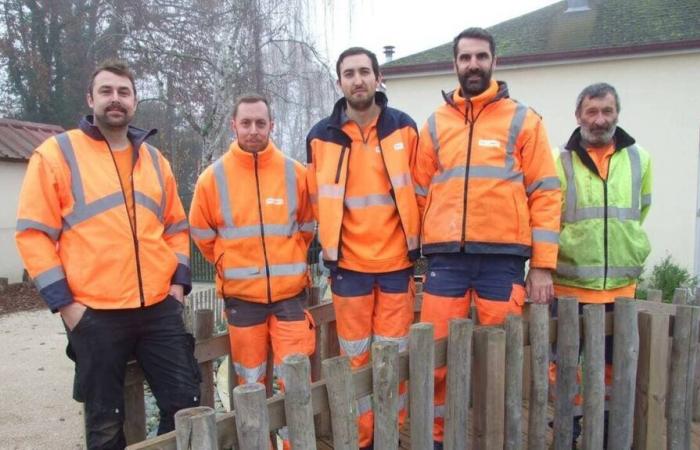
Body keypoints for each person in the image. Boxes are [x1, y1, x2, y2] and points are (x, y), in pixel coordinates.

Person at [15, 59, 200, 450]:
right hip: (94, 313)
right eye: (106, 91)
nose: (115, 99)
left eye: (123, 92)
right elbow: (33, 235)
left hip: (157, 308)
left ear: (134, 101)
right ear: (90, 99)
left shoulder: (155, 160)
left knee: (186, 404)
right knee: (104, 423)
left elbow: (177, 228)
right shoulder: (57, 154)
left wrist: (178, 287)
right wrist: (67, 306)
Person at [412, 27, 561, 448]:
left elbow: (546, 192)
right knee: (436, 358)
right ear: (454, 64)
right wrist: (421, 253)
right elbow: (419, 192)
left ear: (495, 61)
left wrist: (544, 265)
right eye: (465, 58)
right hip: (446, 262)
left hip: (503, 261)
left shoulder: (523, 119)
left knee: (503, 360)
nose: (473, 65)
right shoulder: (436, 124)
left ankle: (498, 437)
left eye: (480, 57)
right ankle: (437, 438)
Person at [306, 47, 421, 449]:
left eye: (364, 72)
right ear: (339, 82)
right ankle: (362, 440)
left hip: (395, 264)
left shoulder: (404, 128)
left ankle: (391, 433)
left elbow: (420, 191)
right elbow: (313, 199)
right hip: (348, 267)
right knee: (355, 359)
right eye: (349, 73)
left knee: (393, 355)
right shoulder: (321, 136)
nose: (357, 80)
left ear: (378, 77)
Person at [189, 93, 315, 448]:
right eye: (246, 123)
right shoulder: (212, 179)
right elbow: (200, 234)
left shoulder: (296, 173)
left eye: (261, 123)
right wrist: (230, 262)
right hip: (242, 302)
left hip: (290, 298)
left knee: (296, 380)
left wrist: (286, 260)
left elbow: (307, 228)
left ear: (272, 125)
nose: (254, 130)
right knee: (250, 384)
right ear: (234, 125)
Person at [551, 82, 652, 445]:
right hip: (569, 286)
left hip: (621, 288)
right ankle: (571, 423)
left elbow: (640, 210)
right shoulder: (558, 160)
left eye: (607, 111)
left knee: (614, 366)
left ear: (617, 114)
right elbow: (549, 219)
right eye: (591, 112)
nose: (599, 119)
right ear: (578, 115)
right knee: (564, 367)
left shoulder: (640, 157)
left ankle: (608, 428)